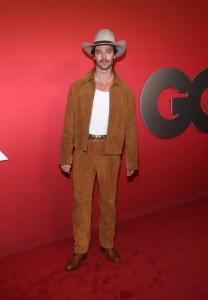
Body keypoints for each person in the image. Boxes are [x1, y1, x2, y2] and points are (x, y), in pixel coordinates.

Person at [60, 29, 138, 271]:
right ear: (93, 56)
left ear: (115, 55)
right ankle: (80, 249)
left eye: (108, 51)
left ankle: (107, 243)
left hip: (111, 151)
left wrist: (132, 160)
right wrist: (66, 155)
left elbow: (131, 129)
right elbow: (69, 123)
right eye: (99, 52)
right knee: (81, 202)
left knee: (109, 201)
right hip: (83, 151)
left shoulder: (125, 91)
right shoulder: (78, 87)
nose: (104, 56)